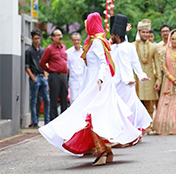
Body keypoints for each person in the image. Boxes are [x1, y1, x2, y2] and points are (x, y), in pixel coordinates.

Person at [39, 12, 141, 166]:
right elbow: (108, 52)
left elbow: (103, 62)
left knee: (89, 115)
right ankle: (107, 151)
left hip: (97, 83)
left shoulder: (97, 42)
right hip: (94, 81)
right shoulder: (96, 40)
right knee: (97, 115)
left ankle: (101, 151)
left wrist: (99, 78)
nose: (86, 24)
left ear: (92, 23)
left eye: (87, 22)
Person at [110, 14, 152, 135]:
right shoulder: (113, 48)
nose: (111, 37)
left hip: (128, 83)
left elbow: (135, 63)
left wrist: (141, 75)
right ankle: (121, 132)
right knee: (117, 108)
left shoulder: (129, 47)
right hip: (115, 83)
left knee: (129, 108)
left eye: (113, 35)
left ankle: (130, 133)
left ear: (117, 36)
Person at [133, 19, 162, 132]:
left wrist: (158, 80)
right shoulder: (133, 46)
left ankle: (148, 126)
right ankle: (138, 126)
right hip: (137, 78)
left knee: (150, 103)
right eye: (143, 32)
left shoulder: (154, 47)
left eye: (147, 32)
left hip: (150, 77)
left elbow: (158, 64)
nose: (145, 34)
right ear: (139, 32)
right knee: (137, 102)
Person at [39, 29, 68, 121]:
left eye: (61, 35)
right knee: (54, 100)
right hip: (54, 76)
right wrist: (50, 71)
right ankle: (53, 122)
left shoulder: (64, 47)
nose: (60, 37)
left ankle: (64, 122)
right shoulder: (49, 49)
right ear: (53, 37)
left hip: (64, 77)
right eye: (58, 35)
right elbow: (42, 63)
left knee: (64, 100)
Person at [25, 29, 50, 127]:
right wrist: (33, 78)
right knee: (34, 99)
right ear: (32, 39)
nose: (37, 41)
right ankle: (35, 121)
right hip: (35, 77)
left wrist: (46, 75)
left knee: (46, 99)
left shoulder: (43, 51)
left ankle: (47, 121)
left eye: (38, 39)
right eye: (35, 38)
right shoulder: (29, 51)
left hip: (42, 77)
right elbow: (27, 67)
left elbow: (45, 64)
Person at [66, 32, 86, 105]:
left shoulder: (84, 51)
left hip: (83, 79)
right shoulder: (68, 53)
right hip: (73, 80)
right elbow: (67, 68)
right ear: (72, 41)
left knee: (83, 100)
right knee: (73, 100)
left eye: (78, 40)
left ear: (80, 40)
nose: (76, 42)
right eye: (74, 40)